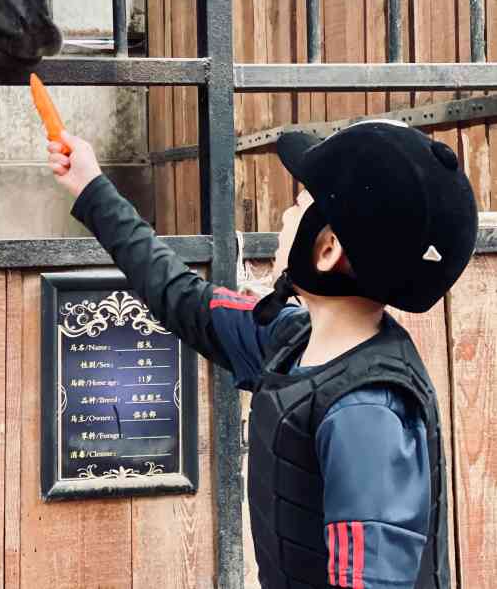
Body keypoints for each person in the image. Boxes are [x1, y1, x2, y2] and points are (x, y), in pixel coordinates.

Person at [46, 119, 477, 589]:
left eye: (301, 204)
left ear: (328, 249)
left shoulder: (368, 411)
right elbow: (185, 299)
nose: (287, 216)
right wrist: (91, 187)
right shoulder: (293, 339)